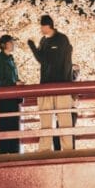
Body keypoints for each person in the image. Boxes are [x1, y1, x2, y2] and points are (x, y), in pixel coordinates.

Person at [27, 15, 74, 152]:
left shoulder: (62, 39)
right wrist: (33, 47)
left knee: (64, 118)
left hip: (61, 84)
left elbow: (64, 61)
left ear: (48, 26)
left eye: (42, 26)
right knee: (45, 118)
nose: (41, 29)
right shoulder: (43, 41)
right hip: (45, 84)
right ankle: (44, 149)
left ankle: (68, 149)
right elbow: (41, 60)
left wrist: (68, 84)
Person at [0, 34, 24, 154]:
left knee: (11, 124)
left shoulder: (9, 59)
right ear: (4, 45)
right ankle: (7, 151)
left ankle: (13, 150)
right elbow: (0, 80)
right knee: (7, 124)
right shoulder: (1, 60)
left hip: (11, 97)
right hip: (6, 98)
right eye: (11, 42)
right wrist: (15, 83)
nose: (13, 44)